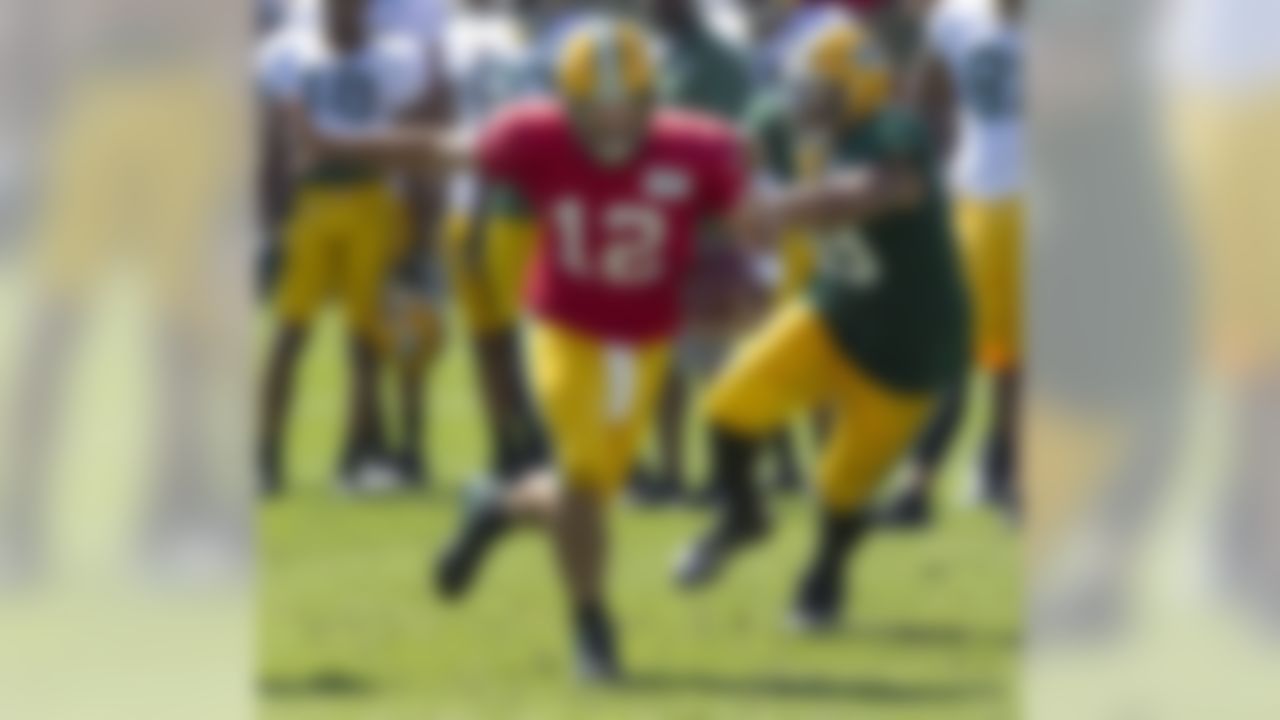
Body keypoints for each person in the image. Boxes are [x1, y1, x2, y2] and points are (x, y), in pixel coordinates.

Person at [424, 18, 752, 680]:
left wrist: (738, 277)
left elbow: (741, 221)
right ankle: (593, 629)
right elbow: (444, 150)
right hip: (563, 323)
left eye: (623, 105)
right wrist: (336, 143)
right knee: (579, 473)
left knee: (590, 492)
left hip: (648, 333)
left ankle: (495, 505)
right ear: (564, 101)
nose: (609, 122)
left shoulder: (698, 148)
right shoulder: (532, 133)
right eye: (592, 107)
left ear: (650, 98)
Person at [674, 13, 970, 631]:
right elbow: (738, 147)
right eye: (803, 88)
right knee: (730, 404)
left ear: (859, 87)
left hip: (909, 346)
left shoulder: (892, 131)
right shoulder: (807, 131)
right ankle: (743, 516)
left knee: (839, 489)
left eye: (820, 89)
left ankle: (824, 579)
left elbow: (874, 191)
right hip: (834, 310)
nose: (804, 101)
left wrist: (781, 209)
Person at [257, 0, 434, 495]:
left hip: (372, 200)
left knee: (365, 340)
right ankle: (265, 456)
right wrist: (271, 221)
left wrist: (419, 216)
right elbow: (275, 142)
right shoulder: (292, 51)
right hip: (312, 203)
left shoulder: (395, 57)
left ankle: (354, 457)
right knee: (290, 332)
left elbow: (412, 137)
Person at [886, 0, 1023, 526]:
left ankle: (1005, 476)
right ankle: (919, 486)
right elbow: (924, 98)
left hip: (1036, 206)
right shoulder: (958, 21)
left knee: (1017, 362)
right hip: (975, 204)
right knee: (951, 350)